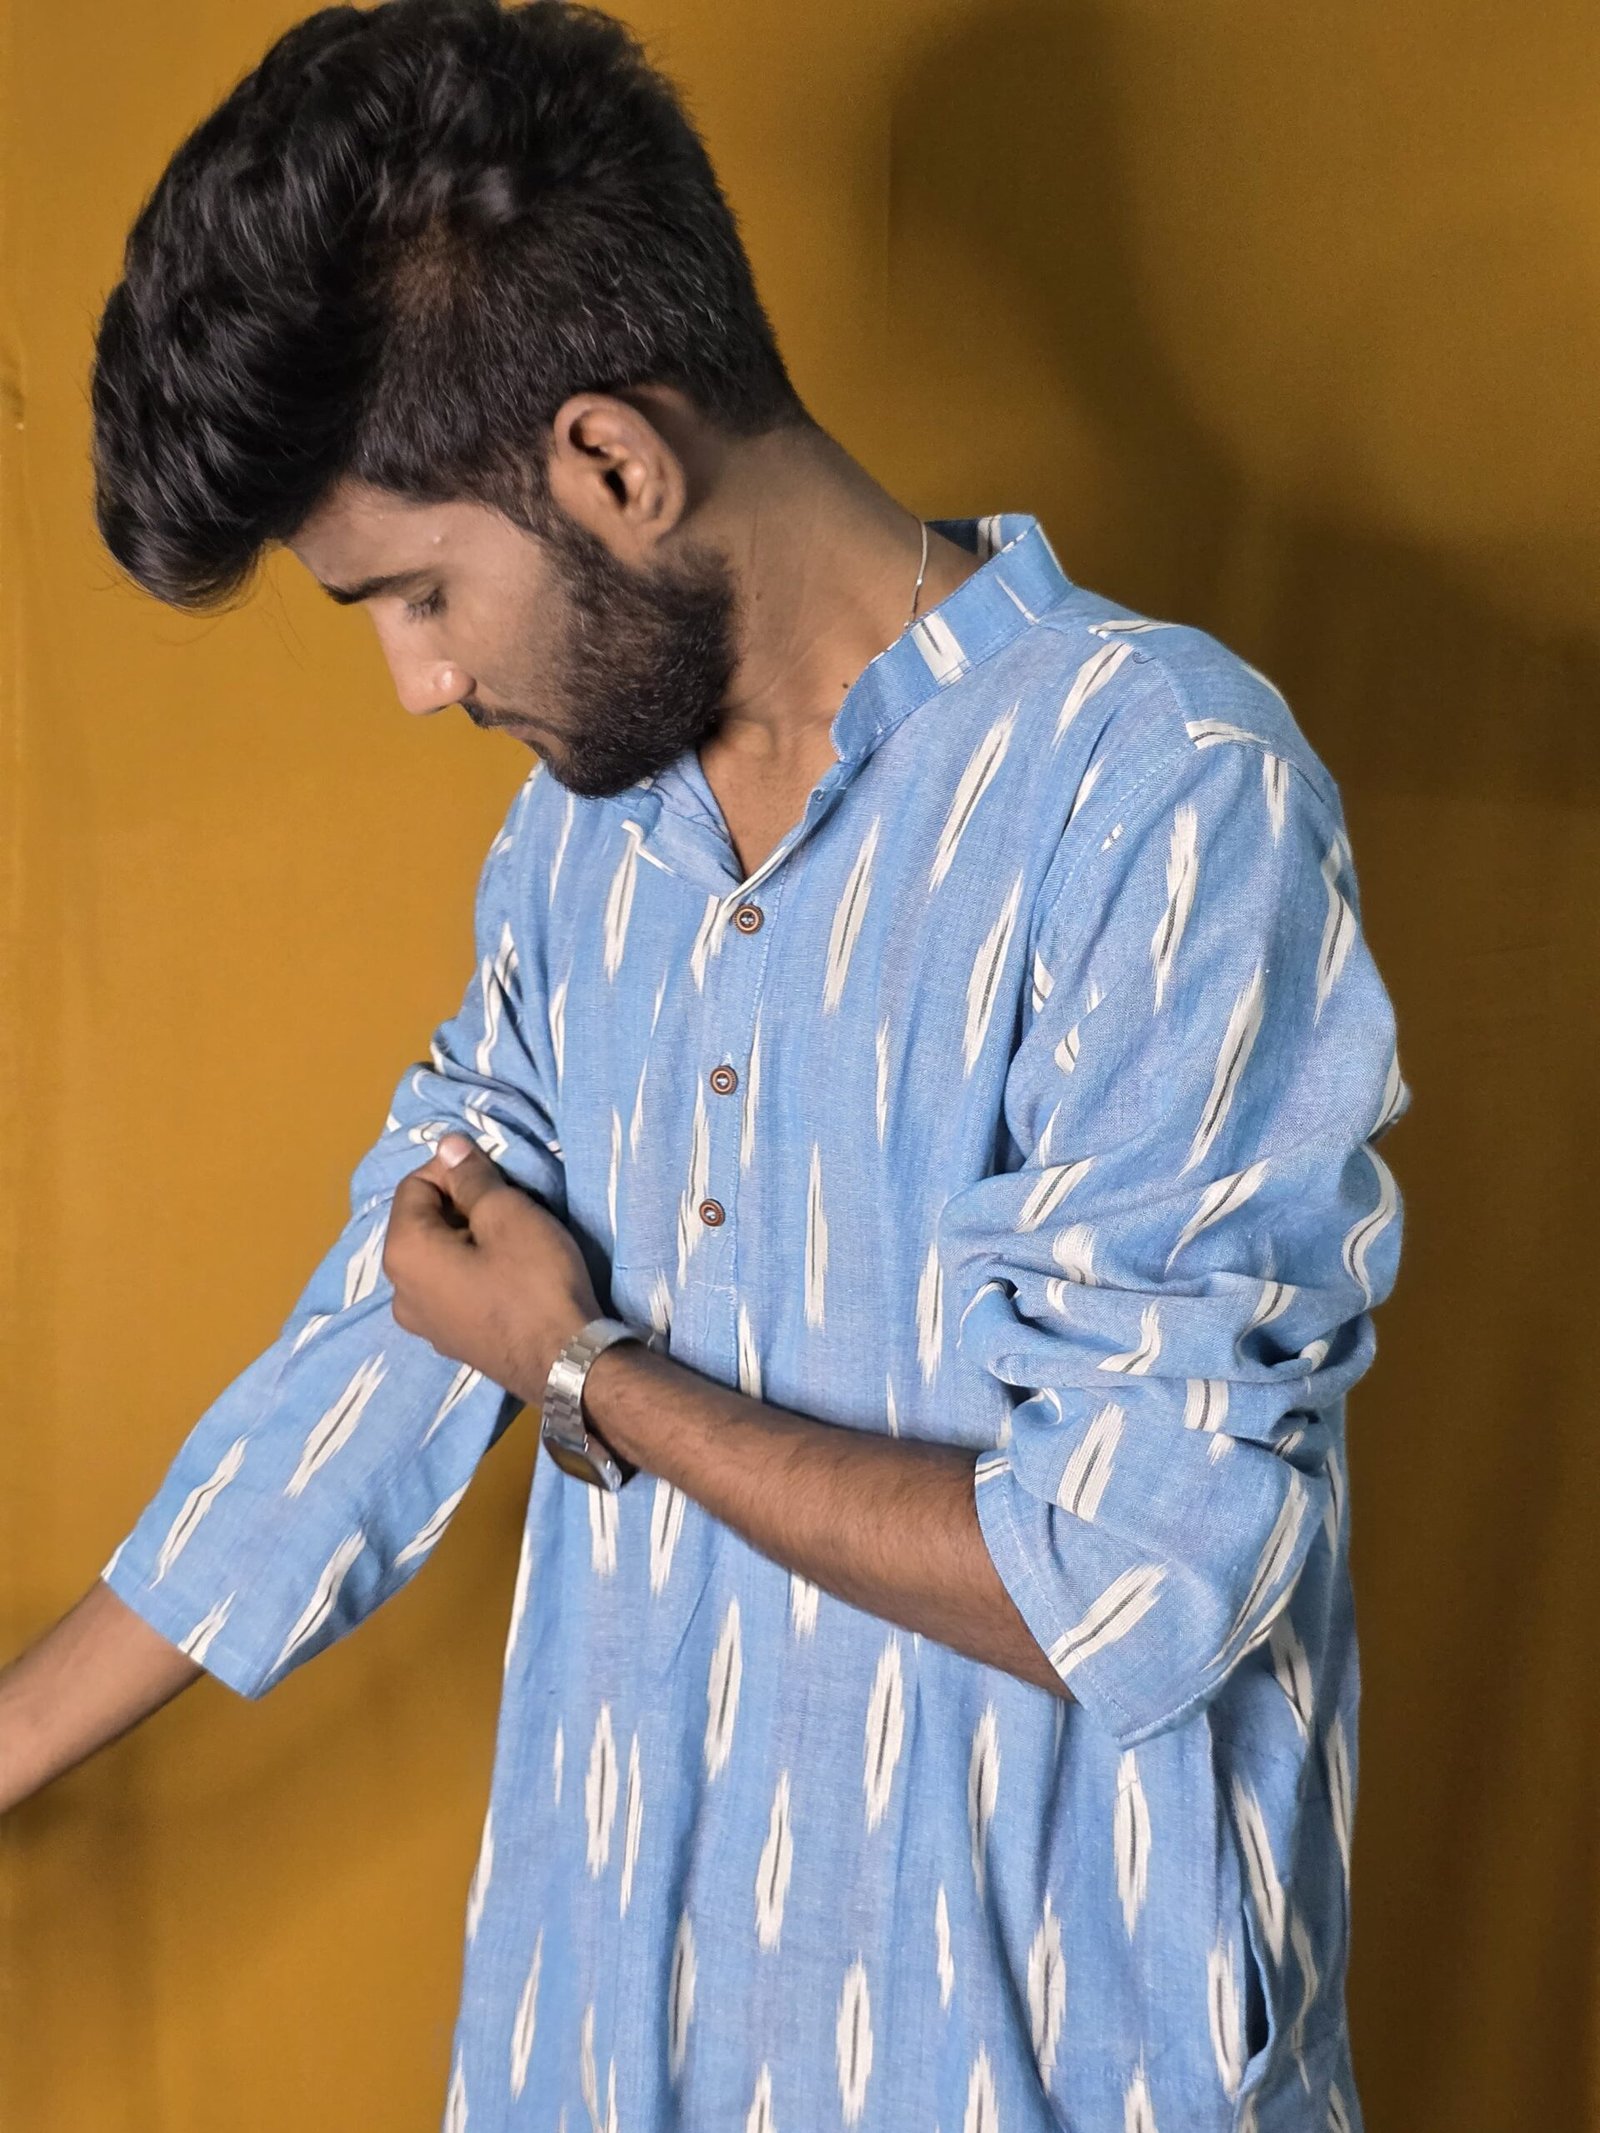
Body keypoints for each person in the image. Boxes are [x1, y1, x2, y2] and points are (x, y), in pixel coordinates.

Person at [0, 3, 1411, 2128]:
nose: (414, 680)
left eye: (414, 593)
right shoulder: (579, 845)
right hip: (611, 2057)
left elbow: (1131, 1565)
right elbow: (391, 1323)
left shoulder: (1157, 790)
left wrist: (588, 1377)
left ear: (609, 463)